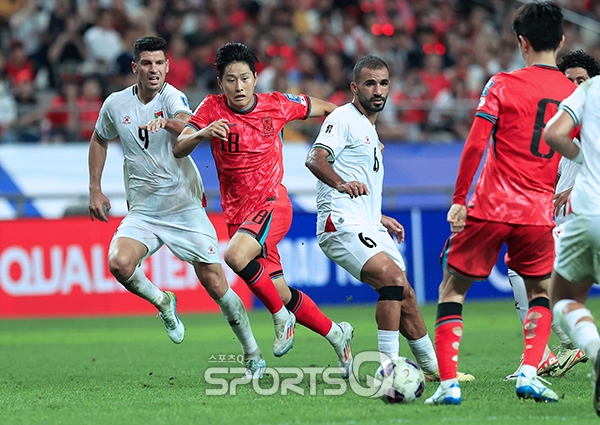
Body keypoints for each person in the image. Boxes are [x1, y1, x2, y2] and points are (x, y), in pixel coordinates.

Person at [87, 36, 265, 379]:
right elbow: (99, 138)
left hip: (184, 206)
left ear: (168, 66)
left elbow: (187, 123)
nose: (154, 70)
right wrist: (95, 188)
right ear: (135, 67)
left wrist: (167, 122)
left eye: (160, 63)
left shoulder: (172, 96)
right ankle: (164, 303)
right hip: (143, 210)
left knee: (215, 284)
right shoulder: (115, 104)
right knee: (119, 263)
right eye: (147, 63)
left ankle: (252, 353)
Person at [425, 1, 575, 405]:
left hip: (491, 206)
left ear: (521, 41)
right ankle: (529, 371)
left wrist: (459, 200)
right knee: (540, 291)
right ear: (560, 40)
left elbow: (475, 143)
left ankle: (449, 384)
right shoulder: (575, 94)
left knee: (452, 289)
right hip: (538, 214)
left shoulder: (503, 84)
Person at [174, 42, 354, 378]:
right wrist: (202, 132)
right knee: (280, 291)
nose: (238, 86)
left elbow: (332, 109)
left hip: (272, 203)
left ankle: (280, 317)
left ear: (256, 78)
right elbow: (179, 147)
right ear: (220, 82)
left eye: (244, 78)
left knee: (235, 257)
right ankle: (335, 333)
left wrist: (357, 135)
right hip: (239, 217)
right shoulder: (211, 109)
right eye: (231, 80)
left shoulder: (278, 104)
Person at [304, 55, 474, 383]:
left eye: (383, 83)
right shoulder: (342, 117)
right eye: (369, 83)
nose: (377, 90)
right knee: (393, 279)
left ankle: (433, 369)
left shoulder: (369, 130)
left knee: (406, 294)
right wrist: (340, 183)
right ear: (355, 87)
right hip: (338, 223)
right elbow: (315, 158)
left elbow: (358, 182)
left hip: (365, 222)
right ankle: (390, 370)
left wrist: (379, 216)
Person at [505, 49, 600, 380]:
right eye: (569, 80)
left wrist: (576, 190)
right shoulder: (566, 122)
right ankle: (551, 349)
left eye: (581, 80)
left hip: (586, 216)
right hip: (571, 219)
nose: (574, 85)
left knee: (528, 271)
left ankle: (556, 348)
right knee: (528, 270)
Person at [544, 63, 600, 419]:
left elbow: (554, 134)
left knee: (562, 296)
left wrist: (587, 162)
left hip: (590, 211)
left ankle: (593, 349)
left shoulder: (590, 91)